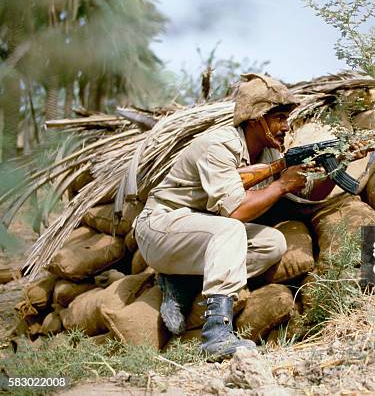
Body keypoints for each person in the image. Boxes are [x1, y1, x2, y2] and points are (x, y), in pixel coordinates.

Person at [133, 73, 338, 359]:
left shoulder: (268, 153)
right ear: (256, 118)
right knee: (230, 230)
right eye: (279, 117)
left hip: (200, 236)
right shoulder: (218, 146)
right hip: (161, 228)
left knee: (273, 244)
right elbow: (237, 211)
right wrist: (281, 183)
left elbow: (311, 194)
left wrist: (334, 171)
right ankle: (216, 333)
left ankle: (184, 281)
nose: (285, 126)